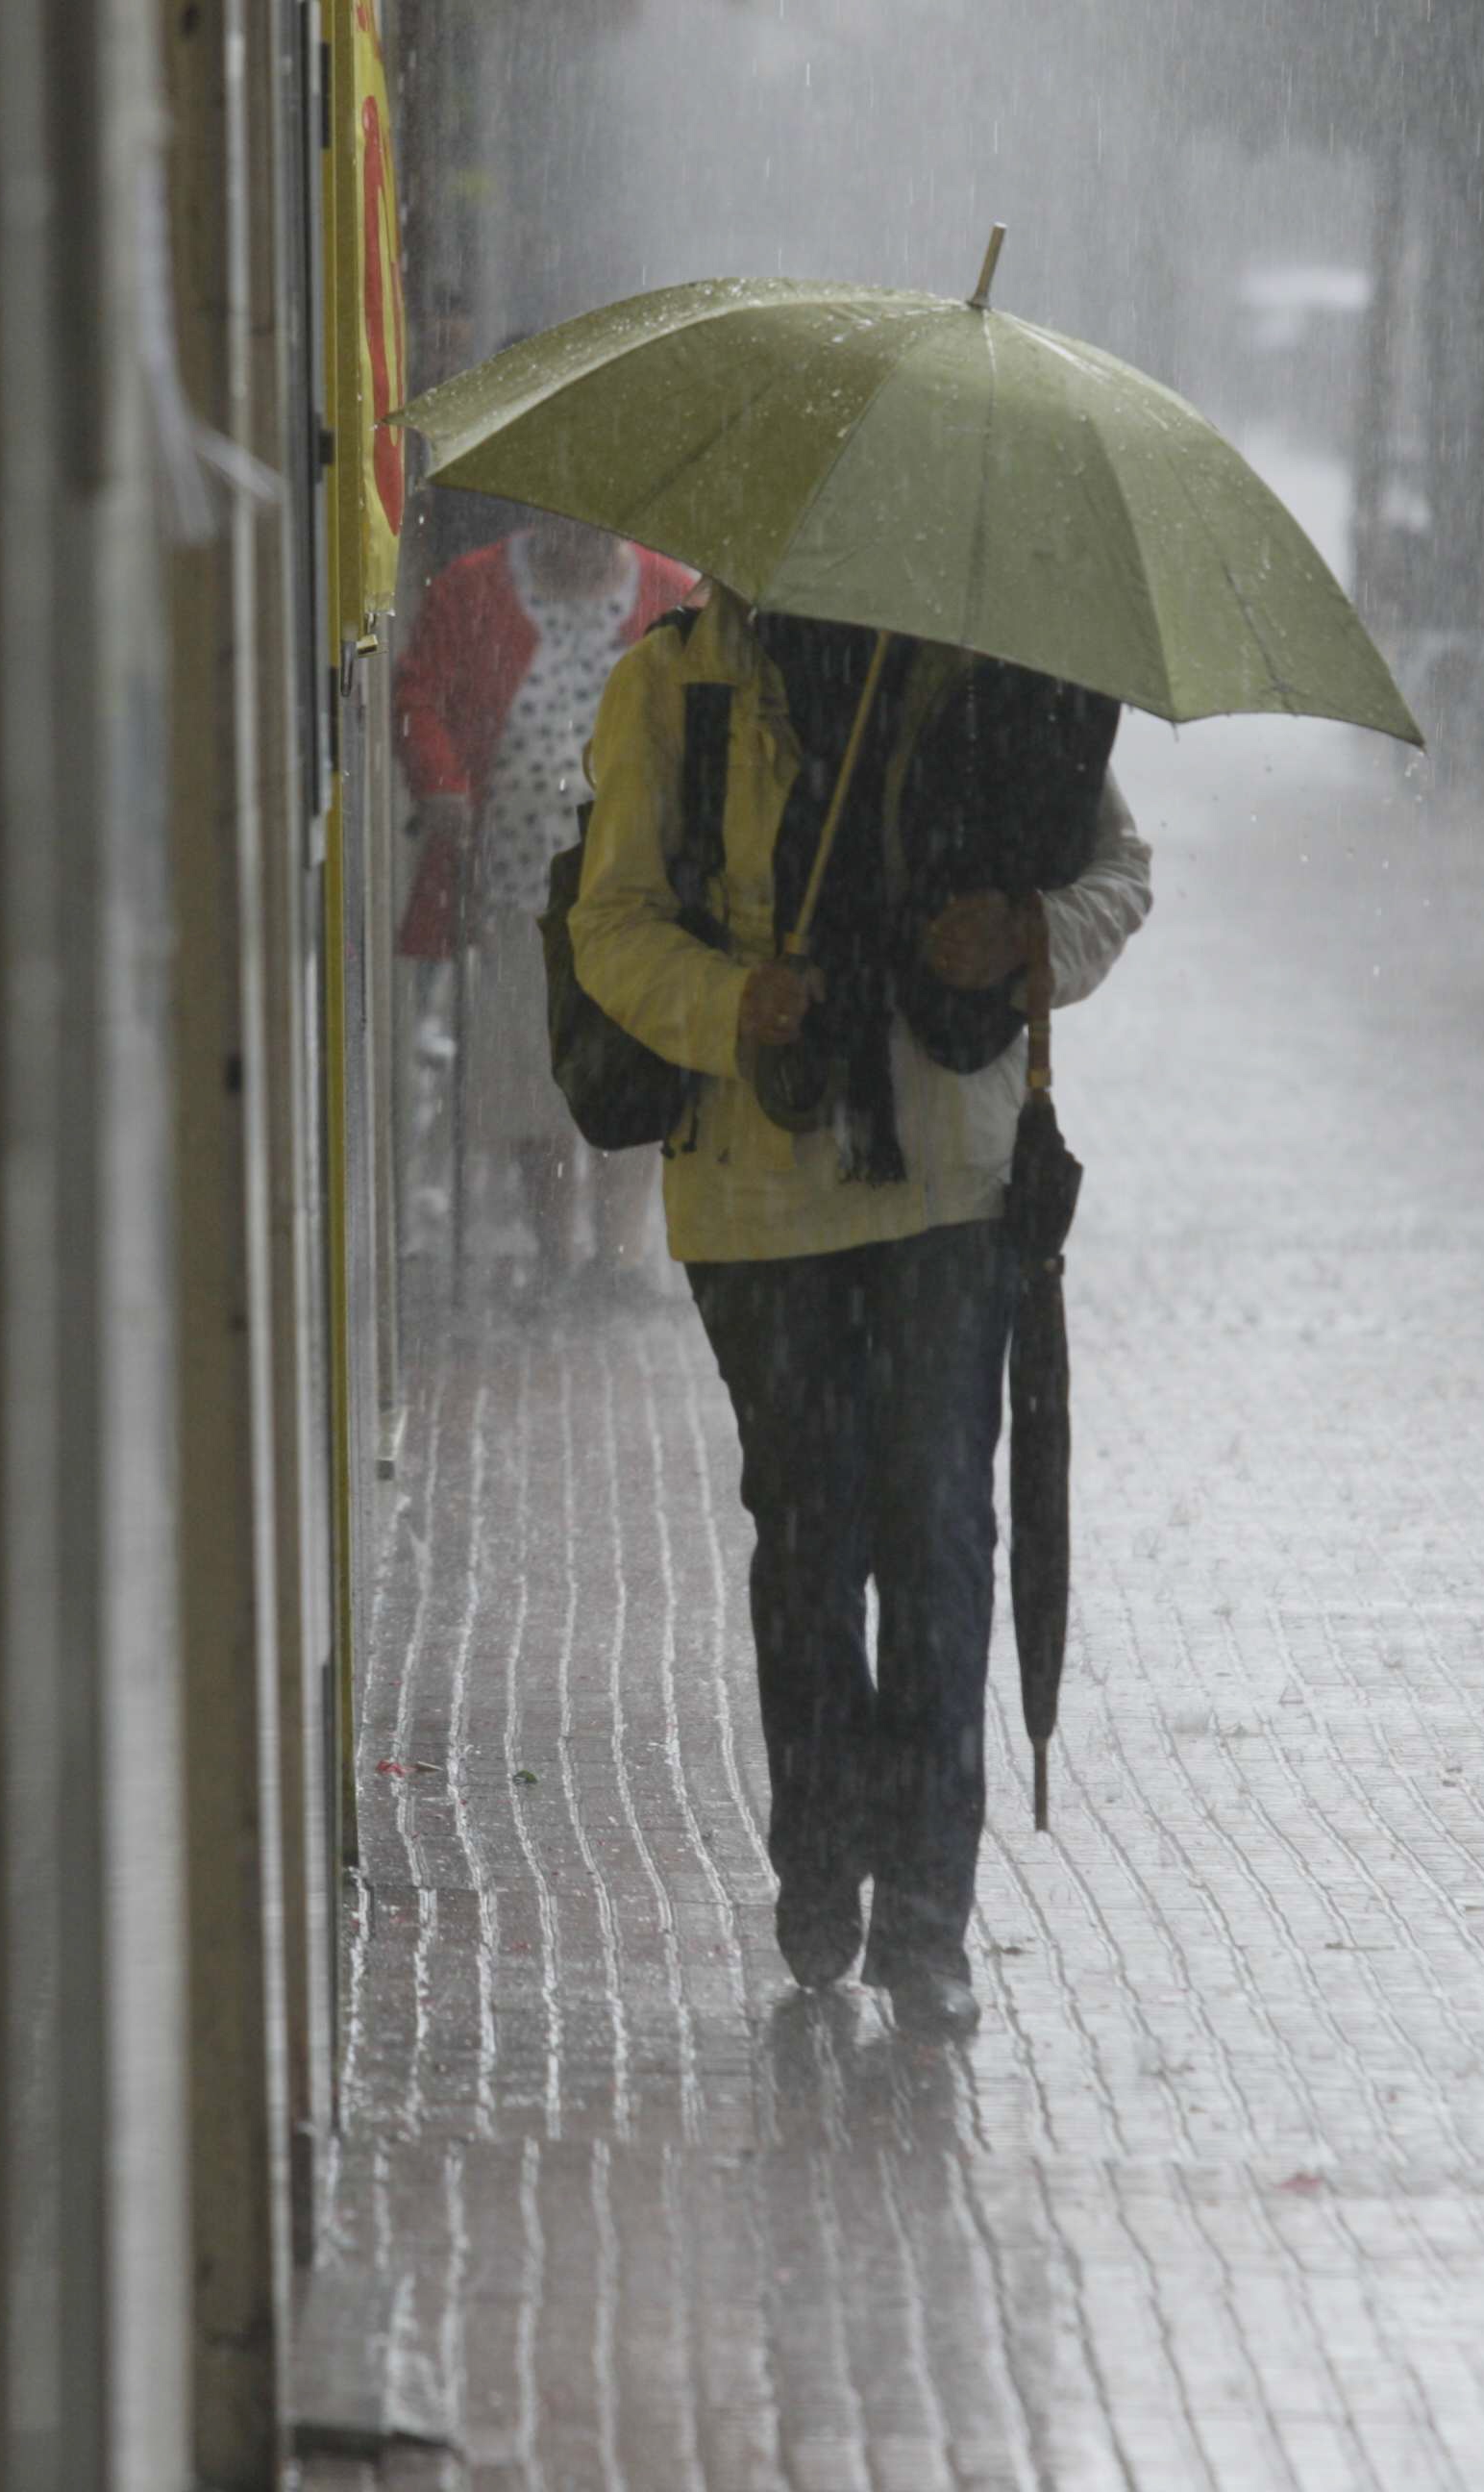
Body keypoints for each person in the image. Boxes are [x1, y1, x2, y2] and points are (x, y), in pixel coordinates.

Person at [570, 586, 1151, 2038]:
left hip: (950, 1186)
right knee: (812, 1528)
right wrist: (732, 1003)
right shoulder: (675, 691)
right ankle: (822, 1851)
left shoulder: (988, 673)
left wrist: (1022, 930)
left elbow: (1117, 873)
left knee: (942, 1528)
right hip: (756, 1198)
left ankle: (927, 1919)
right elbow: (614, 921)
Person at [392, 511, 697, 1283]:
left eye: (599, 526)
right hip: (517, 886)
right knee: (534, 1070)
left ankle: (620, 1254)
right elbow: (417, 697)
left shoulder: (668, 592)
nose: (582, 540)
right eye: (568, 523)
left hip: (636, 890)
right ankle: (557, 1249)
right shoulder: (474, 590)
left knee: (629, 1059)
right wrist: (443, 788)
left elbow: (708, 718)